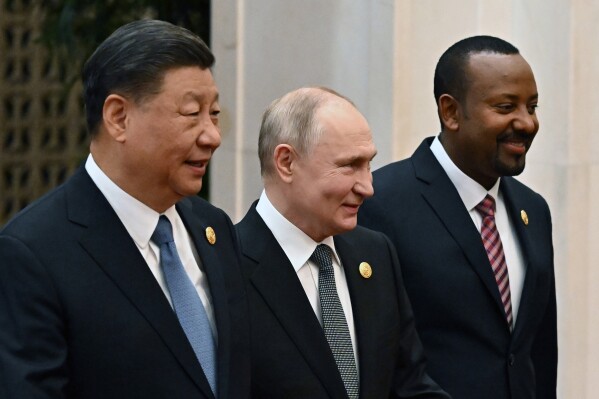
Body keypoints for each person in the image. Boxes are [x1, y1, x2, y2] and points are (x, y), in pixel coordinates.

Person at [0, 20, 249, 399]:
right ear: (118, 117)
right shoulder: (33, 253)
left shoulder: (213, 228)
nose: (212, 136)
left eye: (213, 114)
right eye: (191, 113)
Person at [358, 35, 557, 399]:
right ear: (450, 112)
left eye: (532, 106)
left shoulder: (534, 211)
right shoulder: (379, 202)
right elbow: (375, 358)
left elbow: (538, 353)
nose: (527, 123)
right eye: (506, 107)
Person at [235, 86, 450, 399]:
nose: (367, 187)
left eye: (368, 165)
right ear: (286, 162)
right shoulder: (228, 267)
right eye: (350, 165)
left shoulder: (376, 254)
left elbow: (409, 385)